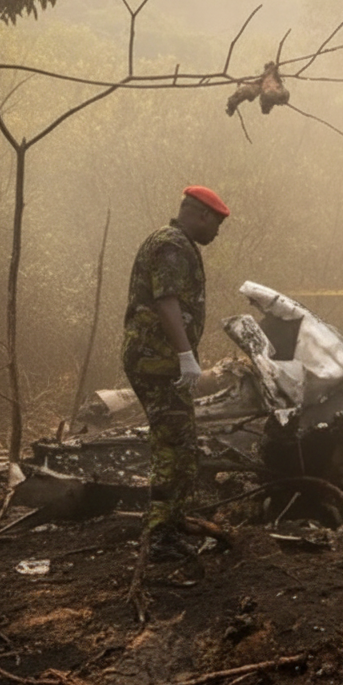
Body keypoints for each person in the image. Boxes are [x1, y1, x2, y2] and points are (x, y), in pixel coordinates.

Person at [121, 185, 229, 560]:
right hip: (158, 359)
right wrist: (185, 354)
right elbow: (165, 300)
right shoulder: (172, 245)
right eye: (216, 223)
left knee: (180, 441)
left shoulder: (178, 244)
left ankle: (171, 521)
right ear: (202, 215)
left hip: (161, 358)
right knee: (172, 445)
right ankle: (160, 537)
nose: (217, 232)